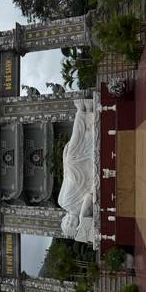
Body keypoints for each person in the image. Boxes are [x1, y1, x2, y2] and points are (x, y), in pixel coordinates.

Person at [58, 99, 94, 241]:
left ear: (64, 218)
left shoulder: (62, 202)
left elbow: (66, 178)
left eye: (67, 222)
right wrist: (81, 216)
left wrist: (64, 161)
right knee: (77, 152)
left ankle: (82, 113)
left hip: (74, 173)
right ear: (77, 224)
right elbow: (89, 197)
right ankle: (89, 115)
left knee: (71, 153)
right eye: (72, 225)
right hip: (85, 180)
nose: (70, 222)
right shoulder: (81, 212)